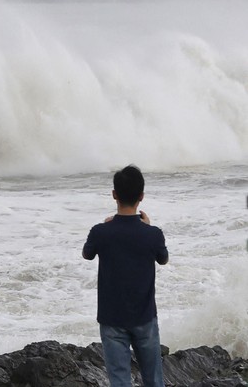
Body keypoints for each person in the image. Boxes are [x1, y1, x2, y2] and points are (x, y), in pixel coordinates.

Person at [82, 165, 169, 387]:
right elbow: (163, 259)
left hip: (112, 318)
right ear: (141, 197)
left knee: (119, 381)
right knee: (153, 380)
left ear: (114, 195)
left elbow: (87, 254)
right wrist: (147, 228)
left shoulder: (100, 233)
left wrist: (104, 227)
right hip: (145, 317)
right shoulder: (153, 234)